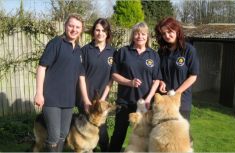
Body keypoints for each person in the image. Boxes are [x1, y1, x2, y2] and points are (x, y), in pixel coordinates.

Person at [34, 13, 84, 152]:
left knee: (63, 135)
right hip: (51, 98)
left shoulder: (79, 50)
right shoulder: (56, 43)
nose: (74, 29)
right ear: (65, 26)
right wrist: (39, 93)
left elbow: (80, 76)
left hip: (68, 100)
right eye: (71, 26)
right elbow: (41, 67)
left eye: (77, 27)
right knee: (54, 136)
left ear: (81, 29)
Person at [108, 22, 162, 152]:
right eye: (137, 33)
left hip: (144, 104)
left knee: (143, 137)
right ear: (133, 35)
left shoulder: (153, 55)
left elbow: (157, 80)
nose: (140, 36)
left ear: (147, 36)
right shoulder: (123, 52)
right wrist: (129, 82)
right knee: (118, 135)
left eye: (143, 34)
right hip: (124, 102)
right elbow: (114, 75)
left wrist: (149, 98)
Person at [77, 18, 114, 152]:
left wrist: (103, 98)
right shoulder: (85, 50)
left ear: (107, 33)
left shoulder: (112, 52)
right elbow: (81, 76)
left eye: (103, 30)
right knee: (85, 133)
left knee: (102, 134)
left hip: (101, 101)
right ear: (93, 32)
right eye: (97, 30)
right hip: (85, 99)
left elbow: (111, 78)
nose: (100, 33)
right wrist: (86, 99)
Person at [155, 17, 199, 122]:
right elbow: (158, 72)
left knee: (180, 135)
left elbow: (193, 76)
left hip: (181, 101)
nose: (167, 36)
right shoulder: (161, 52)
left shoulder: (189, 50)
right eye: (163, 33)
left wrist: (176, 93)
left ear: (177, 30)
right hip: (163, 101)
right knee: (163, 133)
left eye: (170, 32)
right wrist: (161, 81)